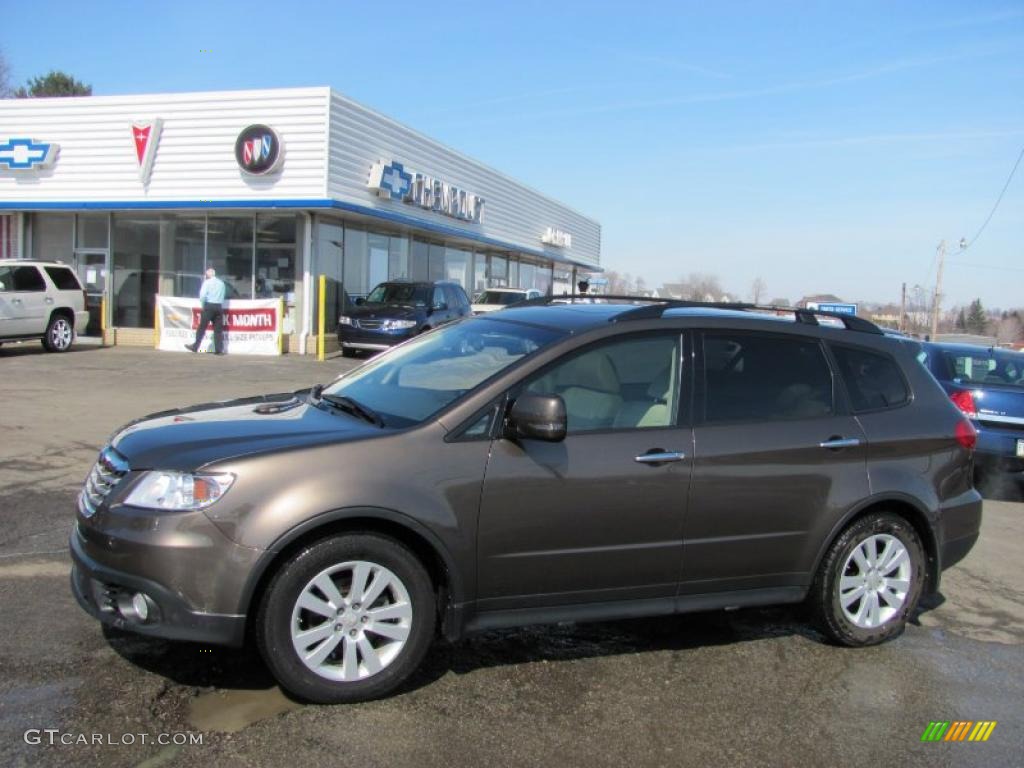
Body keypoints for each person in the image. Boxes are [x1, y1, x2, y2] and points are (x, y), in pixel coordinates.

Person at [185, 268, 226, 354]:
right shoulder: (221, 283)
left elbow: (202, 296)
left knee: (202, 327)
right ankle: (219, 349)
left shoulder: (207, 283)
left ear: (207, 275)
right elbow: (223, 296)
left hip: (209, 306)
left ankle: (195, 346)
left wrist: (203, 305)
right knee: (218, 329)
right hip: (218, 306)